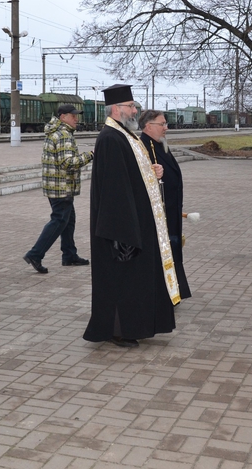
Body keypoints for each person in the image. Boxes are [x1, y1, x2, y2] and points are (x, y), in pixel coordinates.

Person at [83, 85, 179, 349]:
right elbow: (114, 190)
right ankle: (117, 330)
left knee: (132, 282)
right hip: (121, 230)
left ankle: (132, 326)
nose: (136, 110)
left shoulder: (125, 135)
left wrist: (152, 171)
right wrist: (124, 234)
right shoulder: (111, 138)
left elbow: (131, 176)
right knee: (119, 282)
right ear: (117, 109)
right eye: (132, 106)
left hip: (133, 224)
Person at [23, 104, 94, 273]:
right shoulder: (63, 135)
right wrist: (91, 155)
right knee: (59, 220)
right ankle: (35, 254)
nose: (76, 119)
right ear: (63, 117)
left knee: (68, 221)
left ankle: (69, 255)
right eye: (73, 116)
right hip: (61, 186)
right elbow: (67, 163)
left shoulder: (56, 132)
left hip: (56, 185)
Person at [139, 110, 191, 299]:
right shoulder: (143, 147)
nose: (166, 128)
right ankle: (164, 295)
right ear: (148, 126)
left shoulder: (160, 145)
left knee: (174, 252)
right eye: (162, 124)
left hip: (171, 210)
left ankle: (174, 292)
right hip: (159, 215)